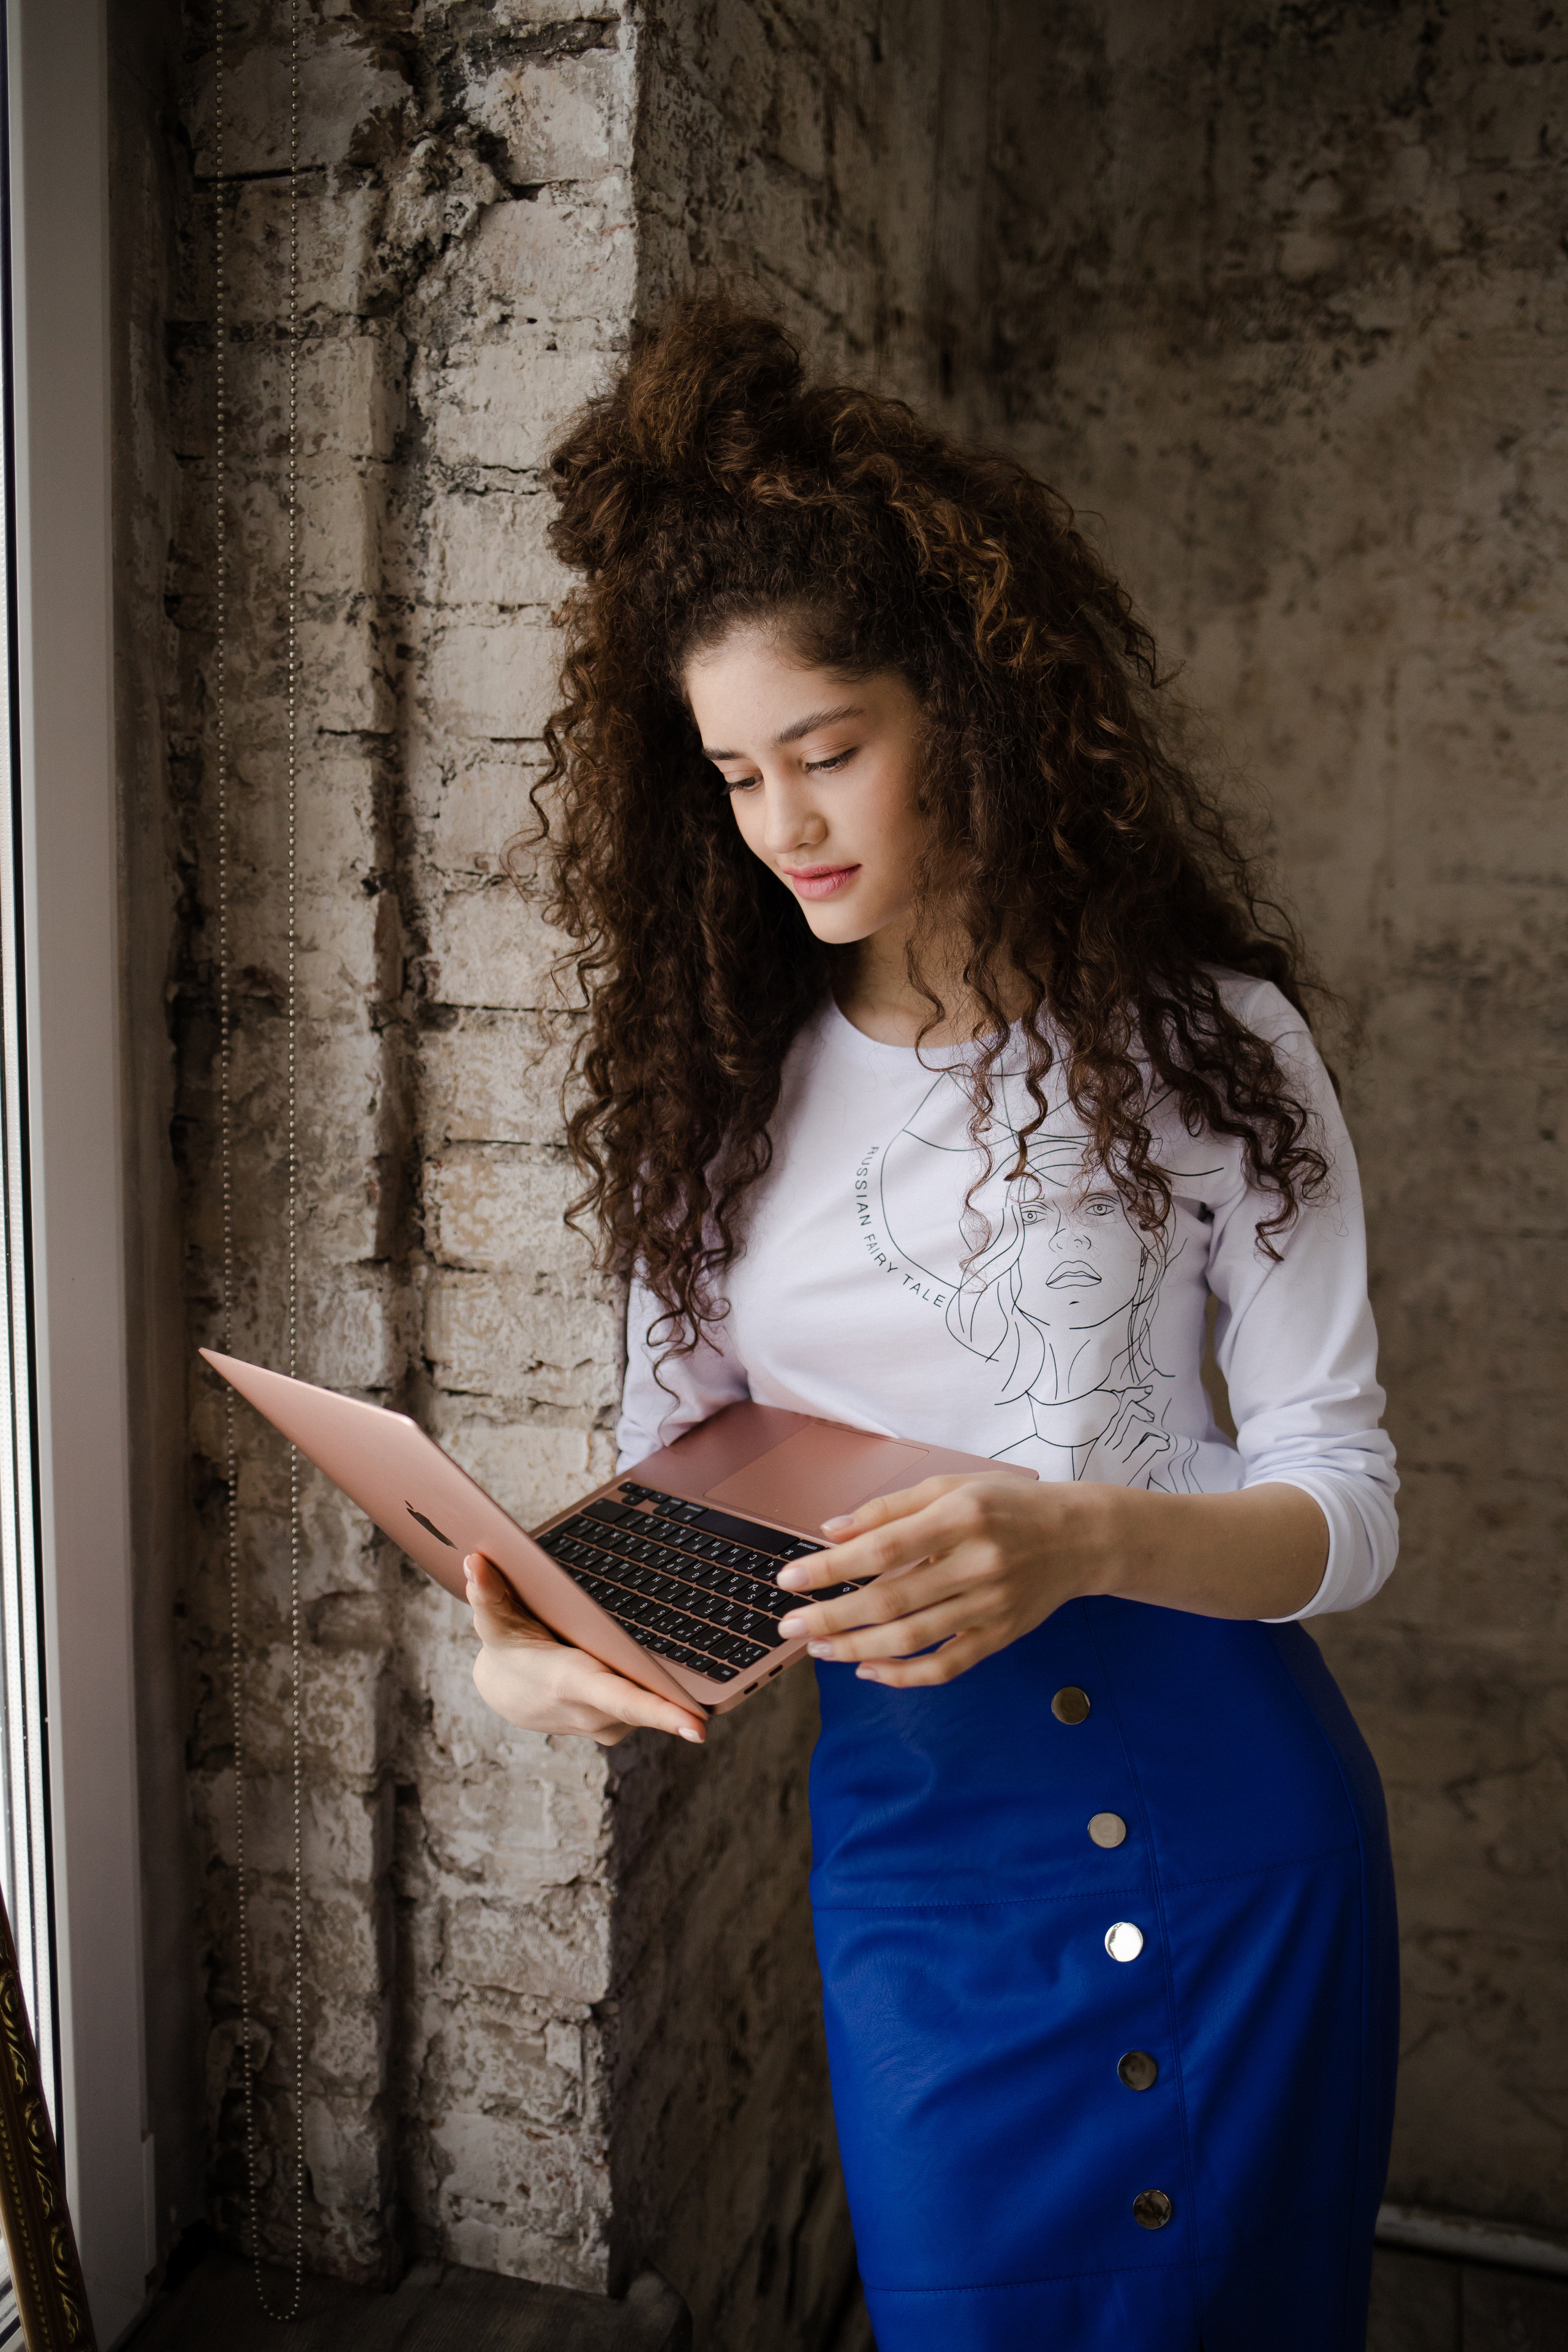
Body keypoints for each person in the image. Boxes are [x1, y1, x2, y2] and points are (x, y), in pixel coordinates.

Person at [461, 296, 1400, 2351]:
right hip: (926, 1869)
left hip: (1245, 1830)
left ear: (969, 704)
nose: (785, 820)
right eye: (733, 773)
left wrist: (1079, 1535)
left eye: (828, 749)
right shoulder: (713, 1105)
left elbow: (1348, 1503)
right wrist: (553, 1643)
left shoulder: (1208, 1045)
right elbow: (689, 1496)